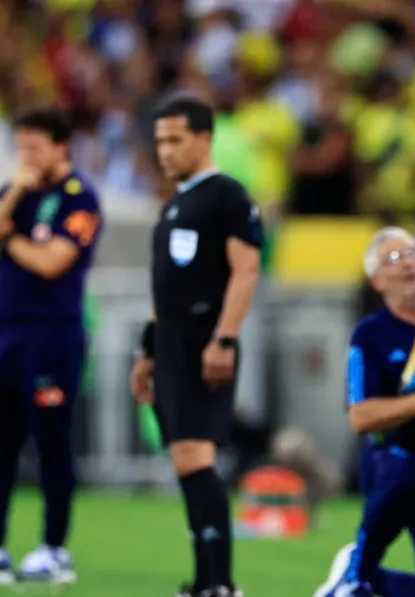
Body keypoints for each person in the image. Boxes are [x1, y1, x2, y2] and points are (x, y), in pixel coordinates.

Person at [0, 108, 103, 585]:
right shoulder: (15, 194)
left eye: (35, 147)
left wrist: (9, 240)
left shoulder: (79, 198)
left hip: (51, 333)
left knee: (50, 437)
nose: (26, 157)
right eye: (21, 146)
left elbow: (53, 262)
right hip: (4, 331)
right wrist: (11, 204)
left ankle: (54, 548)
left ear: (60, 146)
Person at [128, 96, 263, 597]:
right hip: (170, 346)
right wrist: (147, 352)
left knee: (196, 456)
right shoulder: (174, 204)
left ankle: (221, 583)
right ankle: (204, 579)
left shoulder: (227, 196)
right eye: (160, 141)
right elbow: (164, 291)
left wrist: (224, 337)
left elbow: (246, 270)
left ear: (203, 139)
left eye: (175, 140)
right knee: (185, 459)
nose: (165, 151)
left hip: (204, 342)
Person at [314, 227, 415, 597]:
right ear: (377, 280)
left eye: (413, 252)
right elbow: (360, 416)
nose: (408, 263)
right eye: (394, 259)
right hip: (393, 461)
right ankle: (358, 569)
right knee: (403, 473)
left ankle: (362, 577)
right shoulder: (370, 335)